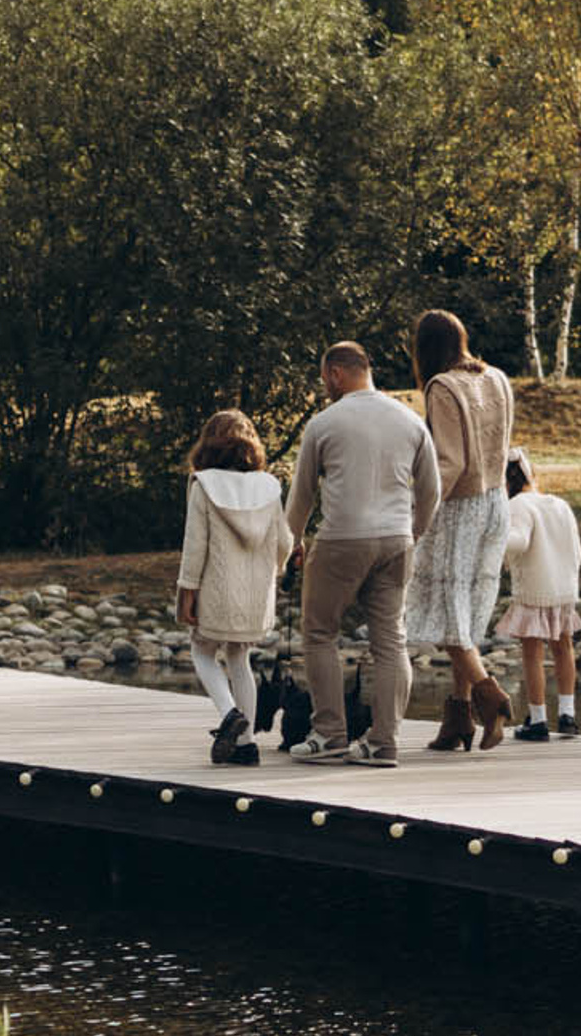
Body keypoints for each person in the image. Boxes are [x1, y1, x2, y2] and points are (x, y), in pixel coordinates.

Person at [282, 342, 441, 766]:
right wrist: (414, 530)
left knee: (319, 633)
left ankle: (330, 734)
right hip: (395, 540)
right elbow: (432, 490)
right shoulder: (409, 420)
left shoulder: (324, 423)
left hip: (341, 539)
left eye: (323, 379)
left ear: (335, 373)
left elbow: (302, 497)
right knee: (390, 640)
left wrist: (291, 542)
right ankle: (382, 742)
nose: (325, 386)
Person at [405, 309, 517, 753]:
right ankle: (457, 719)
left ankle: (492, 698)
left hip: (459, 506)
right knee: (465, 610)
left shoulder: (442, 386)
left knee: (448, 612)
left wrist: (418, 516)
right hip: (496, 502)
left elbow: (449, 463)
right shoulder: (497, 377)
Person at [176, 409, 287, 767]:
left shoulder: (203, 484)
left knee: (202, 652)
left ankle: (228, 716)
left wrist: (186, 592)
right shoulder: (269, 486)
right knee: (240, 658)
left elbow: (195, 547)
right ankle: (247, 744)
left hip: (217, 590)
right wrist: (283, 566)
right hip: (256, 595)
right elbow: (284, 542)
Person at [498, 449, 581, 742]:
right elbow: (576, 548)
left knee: (532, 654)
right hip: (563, 588)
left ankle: (537, 720)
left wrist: (492, 536)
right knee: (564, 648)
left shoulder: (518, 505)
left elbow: (519, 542)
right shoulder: (559, 504)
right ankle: (568, 715)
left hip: (535, 589)